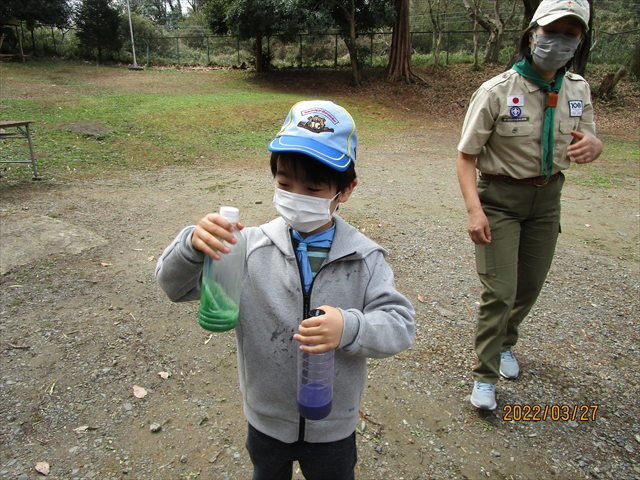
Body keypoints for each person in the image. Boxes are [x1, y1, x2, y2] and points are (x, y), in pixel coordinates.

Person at [155, 100, 415, 479]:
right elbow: (172, 286)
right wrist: (192, 246)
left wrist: (350, 327)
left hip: (333, 428)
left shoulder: (364, 258)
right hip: (266, 422)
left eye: (313, 188)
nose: (297, 196)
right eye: (284, 184)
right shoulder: (248, 249)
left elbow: (401, 325)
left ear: (346, 190)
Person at [456, 0, 603, 411]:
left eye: (570, 34)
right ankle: (484, 376)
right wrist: (474, 210)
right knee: (499, 292)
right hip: (500, 201)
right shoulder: (497, 91)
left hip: (547, 200)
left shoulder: (578, 88)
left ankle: (506, 343)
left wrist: (595, 144)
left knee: (529, 288)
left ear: (580, 40)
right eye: (552, 31)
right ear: (532, 33)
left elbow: (589, 136)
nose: (559, 41)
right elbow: (466, 156)